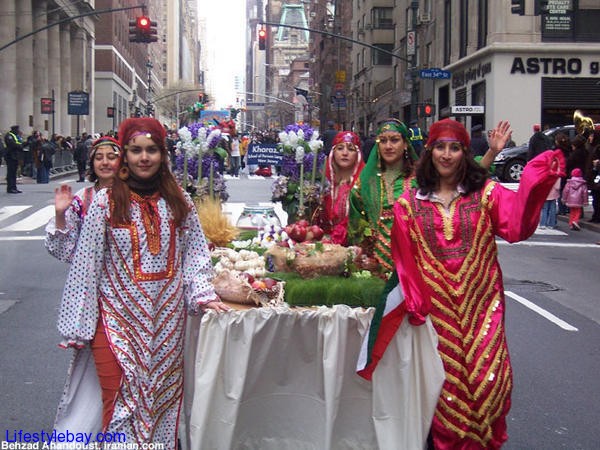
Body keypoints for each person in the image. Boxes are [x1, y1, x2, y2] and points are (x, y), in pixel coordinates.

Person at [357, 118, 565, 449]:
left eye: (455, 147)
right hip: (436, 317)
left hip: (483, 309)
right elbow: (405, 259)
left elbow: (516, 227)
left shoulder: (486, 193)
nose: (447, 154)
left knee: (489, 384)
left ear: (465, 153)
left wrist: (536, 181)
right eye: (440, 146)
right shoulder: (410, 204)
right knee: (445, 394)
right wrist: (414, 304)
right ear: (429, 151)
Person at [54, 118, 229, 445]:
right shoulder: (105, 203)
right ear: (125, 156)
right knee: (119, 404)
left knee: (164, 403)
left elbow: (194, 256)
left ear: (163, 155)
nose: (144, 157)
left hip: (168, 326)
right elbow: (85, 265)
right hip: (114, 322)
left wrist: (203, 294)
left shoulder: (180, 202)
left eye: (152, 150)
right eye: (135, 150)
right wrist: (78, 324)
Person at [348, 119, 418, 273]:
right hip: (374, 266)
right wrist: (364, 253)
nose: (388, 146)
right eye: (383, 141)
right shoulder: (365, 182)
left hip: (413, 264)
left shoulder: (419, 181)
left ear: (405, 144)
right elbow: (356, 221)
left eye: (394, 140)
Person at [45, 136, 122, 262]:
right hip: (90, 276)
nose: (105, 162)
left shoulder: (133, 197)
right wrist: (60, 215)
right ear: (92, 163)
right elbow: (64, 249)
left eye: (111, 157)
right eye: (98, 158)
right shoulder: (83, 197)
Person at [321, 131, 365, 245]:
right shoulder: (322, 181)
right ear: (333, 152)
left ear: (358, 154)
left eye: (351, 149)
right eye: (340, 148)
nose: (345, 153)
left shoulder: (364, 182)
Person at [585, 129, 600, 223]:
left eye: (592, 136)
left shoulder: (597, 148)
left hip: (597, 175)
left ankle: (597, 216)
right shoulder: (593, 147)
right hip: (593, 175)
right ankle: (595, 215)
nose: (590, 138)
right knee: (595, 197)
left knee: (597, 198)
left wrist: (597, 164)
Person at [4, 125, 24, 193]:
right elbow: (12, 144)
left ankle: (14, 187)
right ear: (14, 130)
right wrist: (20, 146)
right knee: (11, 173)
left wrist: (21, 145)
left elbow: (19, 144)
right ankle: (10, 188)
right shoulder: (9, 136)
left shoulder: (15, 136)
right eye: (17, 130)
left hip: (15, 156)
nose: (18, 131)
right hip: (10, 156)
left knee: (14, 173)